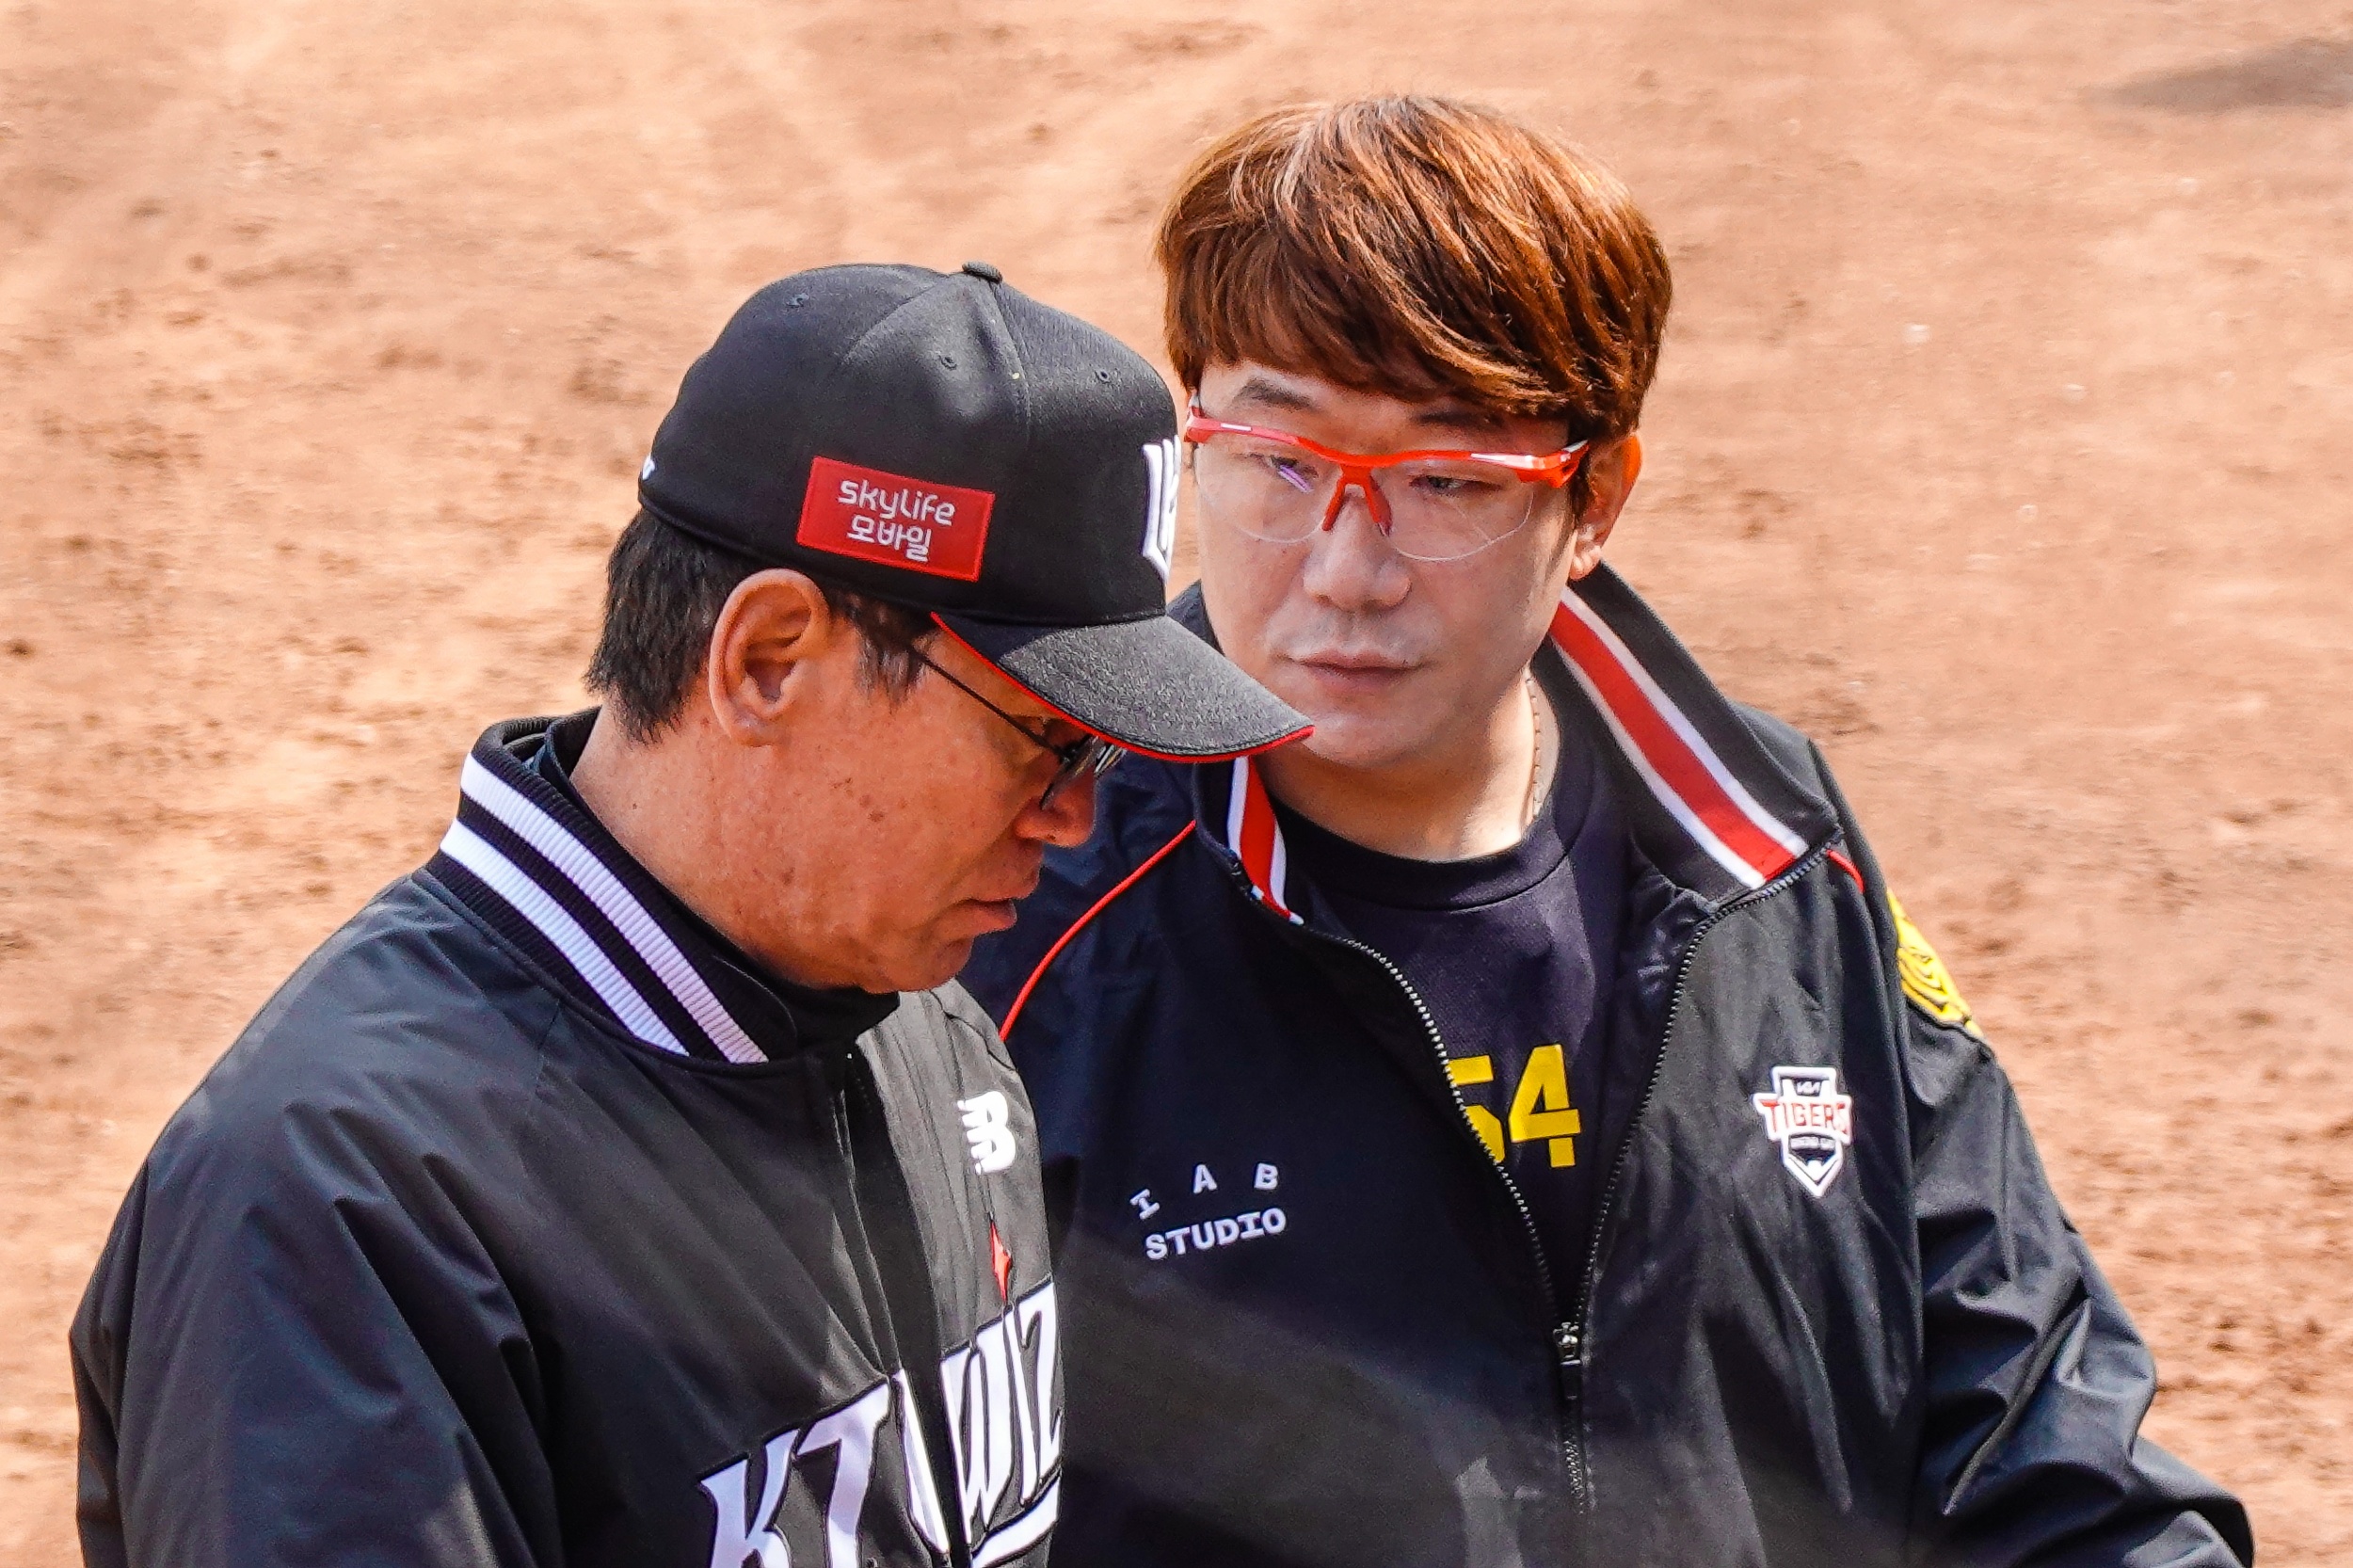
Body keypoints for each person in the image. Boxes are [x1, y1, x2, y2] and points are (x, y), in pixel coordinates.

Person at [960, 98, 2255, 1567]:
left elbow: (2027, 1429)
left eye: (1447, 480)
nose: (1347, 567)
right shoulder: (1016, 913)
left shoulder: (1770, 852)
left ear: (1596, 499)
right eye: (1279, 458)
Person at [70, 261, 1306, 1568]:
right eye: (1046, 738)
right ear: (768, 659)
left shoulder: (929, 1034)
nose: (1072, 817)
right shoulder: (344, 1203)